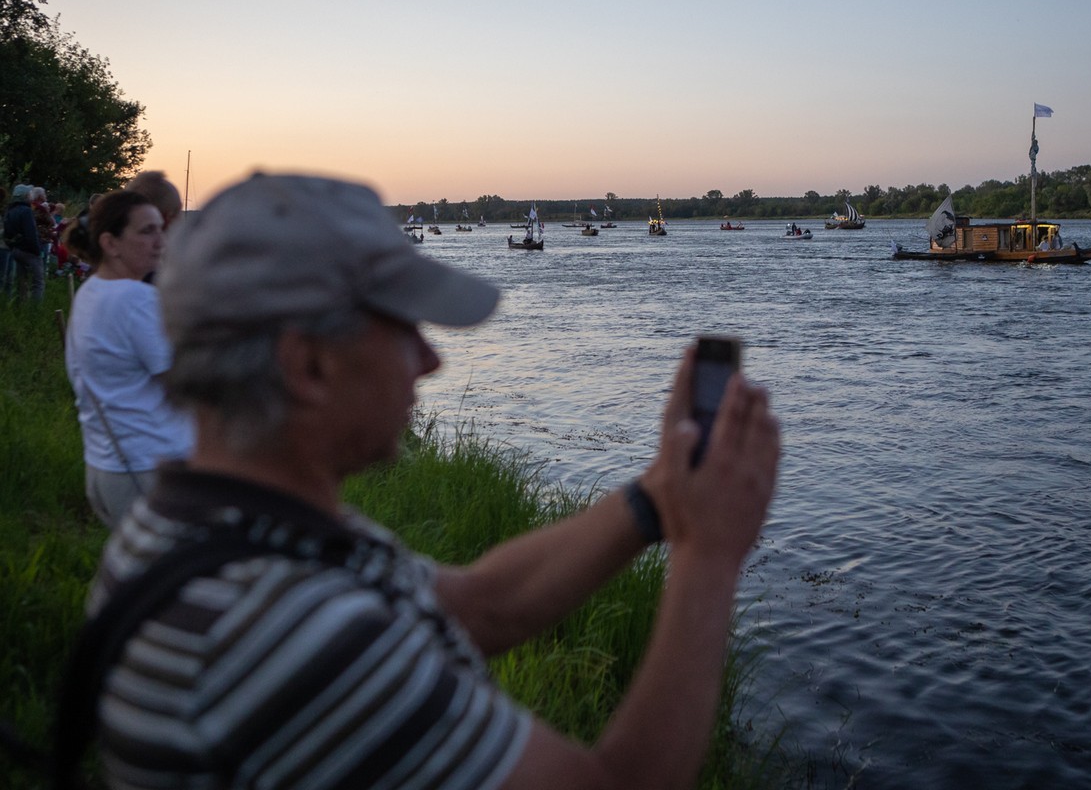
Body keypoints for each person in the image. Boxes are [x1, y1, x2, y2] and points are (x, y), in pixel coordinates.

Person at [84, 172, 780, 789]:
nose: (430, 361)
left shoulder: (216, 525)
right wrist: (708, 555)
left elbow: (479, 605)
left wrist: (656, 498)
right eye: (402, 328)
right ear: (309, 366)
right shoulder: (294, 631)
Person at [64, 190, 194, 528]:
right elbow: (186, 382)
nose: (161, 241)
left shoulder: (92, 291)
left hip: (108, 463)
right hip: (148, 467)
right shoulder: (136, 299)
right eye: (146, 231)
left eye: (160, 229)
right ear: (110, 243)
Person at [3, 183, 44, 302]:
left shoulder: (10, 210)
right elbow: (31, 234)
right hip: (29, 251)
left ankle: (20, 307)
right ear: (25, 196)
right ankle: (34, 310)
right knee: (38, 282)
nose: (31, 195)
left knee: (21, 282)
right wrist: (37, 251)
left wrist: (13, 247)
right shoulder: (26, 211)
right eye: (29, 193)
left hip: (16, 250)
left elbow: (7, 233)